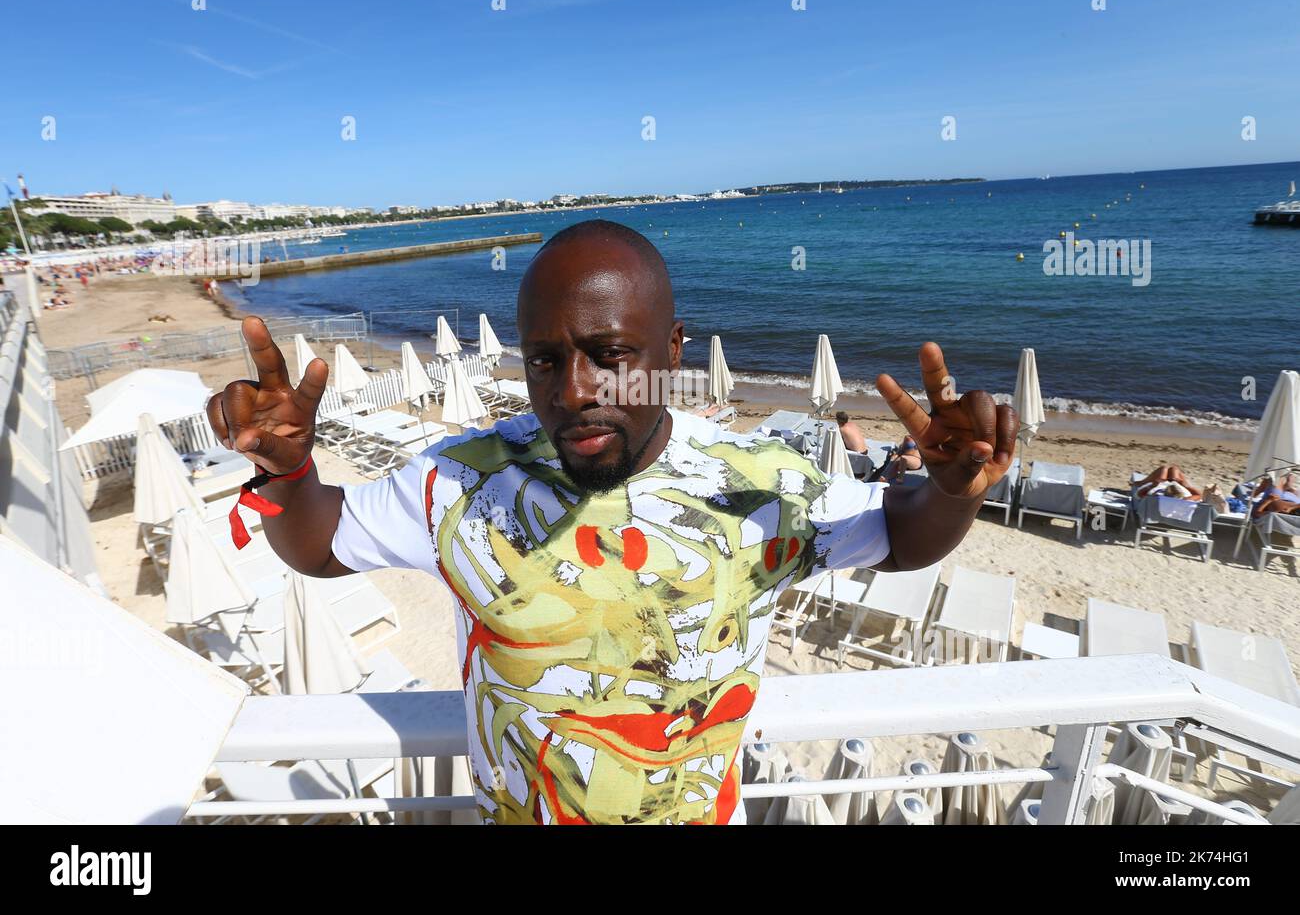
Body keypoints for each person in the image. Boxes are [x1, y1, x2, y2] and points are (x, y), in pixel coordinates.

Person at [207, 220, 1018, 825]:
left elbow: (901, 534)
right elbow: (320, 542)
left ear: (671, 349)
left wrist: (953, 492)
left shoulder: (761, 486)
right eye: (546, 360)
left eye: (611, 353)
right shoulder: (457, 482)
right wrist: (288, 472)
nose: (574, 389)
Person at [1133, 464, 1201, 500]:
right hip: (1174, 487)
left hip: (1162, 486)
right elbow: (1199, 495)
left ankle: (1142, 482)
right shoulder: (1185, 500)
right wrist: (1186, 486)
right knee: (1174, 469)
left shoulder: (1155, 498)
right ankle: (1143, 482)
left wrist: (1153, 485)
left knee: (1164, 468)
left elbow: (1139, 495)